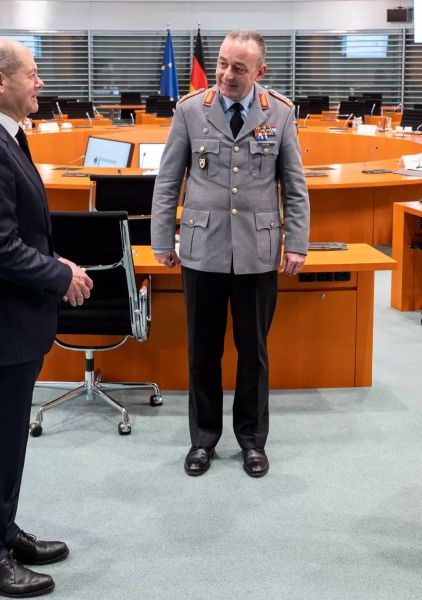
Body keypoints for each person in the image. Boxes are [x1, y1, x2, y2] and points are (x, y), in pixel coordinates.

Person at [0, 37, 93, 597]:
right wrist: (59, 275)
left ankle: (2, 531)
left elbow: (8, 234)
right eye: (32, 74)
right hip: (1, 321)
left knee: (8, 437)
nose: (41, 83)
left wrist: (50, 261)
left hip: (9, 317)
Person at [151, 29, 310, 479]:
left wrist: (296, 241)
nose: (226, 74)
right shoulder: (189, 111)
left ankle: (252, 441)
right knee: (203, 352)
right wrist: (162, 240)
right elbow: (167, 183)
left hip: (258, 251)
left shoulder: (278, 113)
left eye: (239, 67)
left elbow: (294, 186)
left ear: (261, 71)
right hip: (203, 251)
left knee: (253, 352)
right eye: (222, 63)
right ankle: (203, 439)